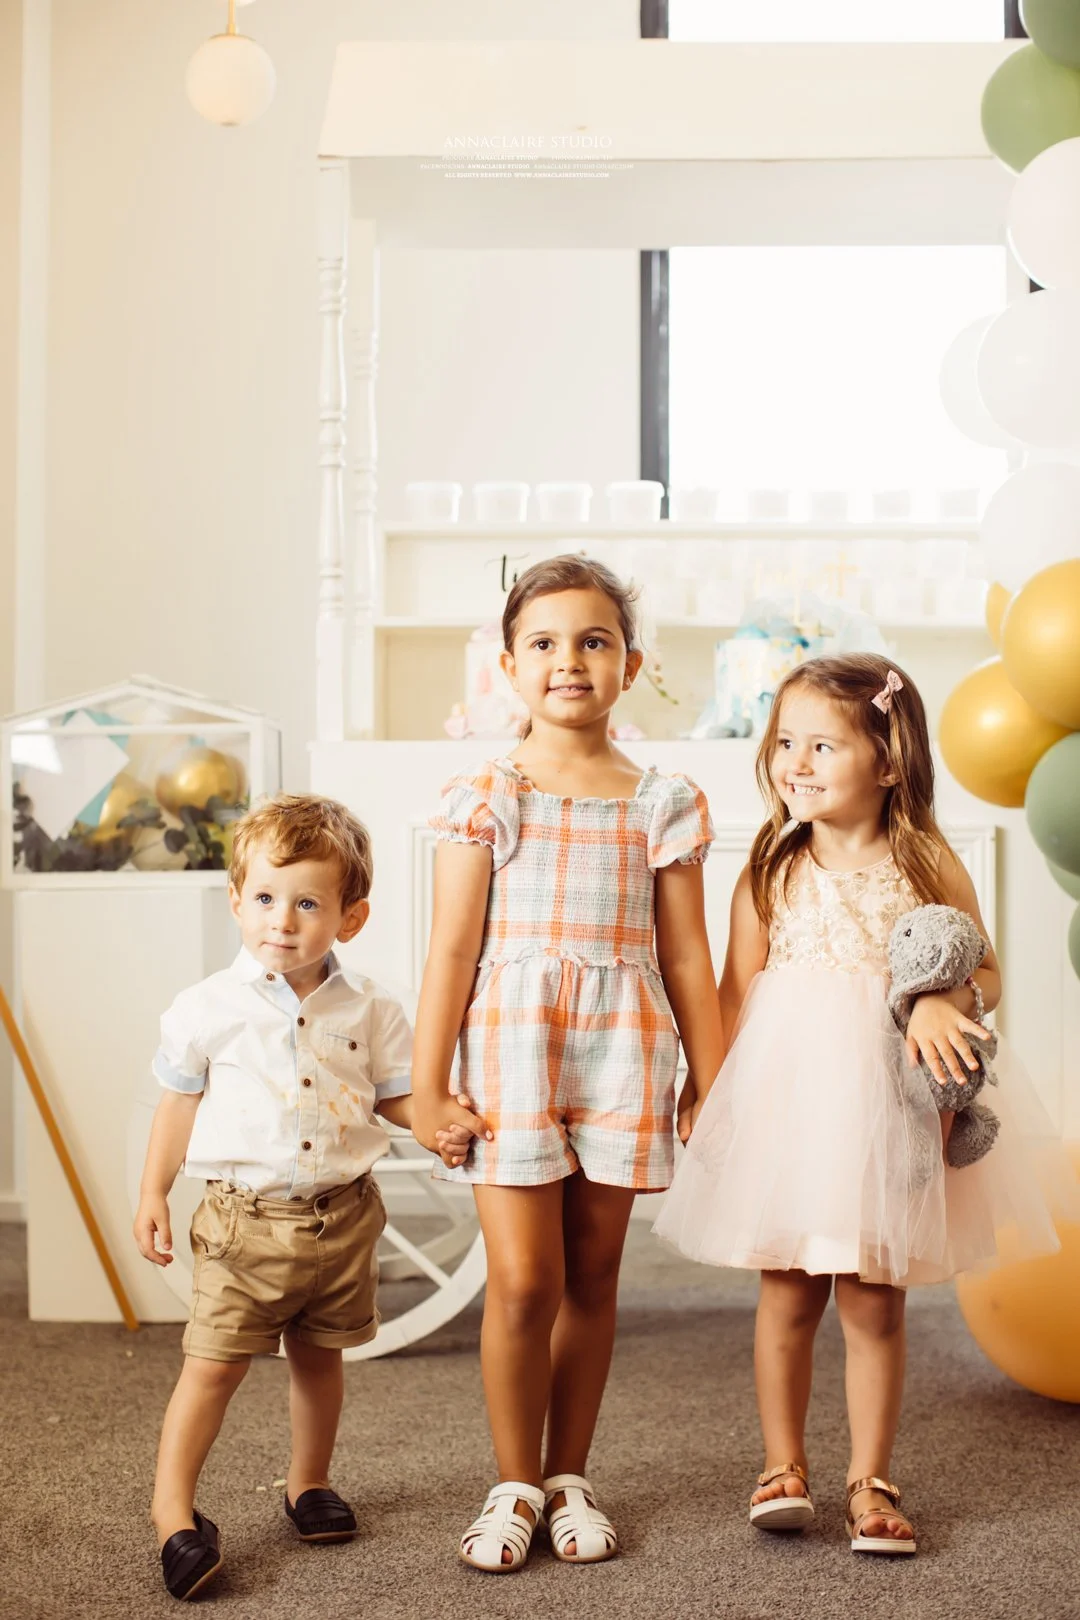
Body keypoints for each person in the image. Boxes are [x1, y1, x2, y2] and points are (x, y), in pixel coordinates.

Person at [656, 653, 1072, 1558]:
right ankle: (782, 1465)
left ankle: (872, 1479)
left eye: (821, 746)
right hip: (789, 1105)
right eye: (783, 744)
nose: (794, 763)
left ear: (888, 763)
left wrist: (937, 995)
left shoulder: (924, 862)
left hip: (890, 1104)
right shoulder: (770, 868)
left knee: (874, 1298)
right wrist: (710, 1100)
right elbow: (735, 992)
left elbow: (986, 969)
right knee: (788, 1289)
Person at [410, 554, 725, 1573]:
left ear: (629, 665)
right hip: (513, 1053)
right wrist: (426, 1085)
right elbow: (452, 950)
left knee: (594, 1276)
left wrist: (709, 1077)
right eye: (544, 642)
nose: (569, 660)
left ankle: (566, 1476)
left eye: (594, 640)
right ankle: (511, 1478)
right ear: (508, 665)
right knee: (523, 1281)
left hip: (625, 1052)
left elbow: (686, 953)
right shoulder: (487, 794)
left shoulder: (665, 800)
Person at [134, 794, 426, 1601]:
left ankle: (308, 1483)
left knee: (321, 1358)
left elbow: (395, 1099)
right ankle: (174, 1514)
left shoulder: (372, 1007)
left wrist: (444, 1122)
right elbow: (178, 1104)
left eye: (307, 903)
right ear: (236, 901)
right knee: (213, 1368)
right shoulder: (205, 1009)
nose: (282, 921)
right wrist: (154, 1192)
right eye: (264, 898)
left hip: (344, 1217)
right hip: (242, 1223)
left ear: (350, 916)